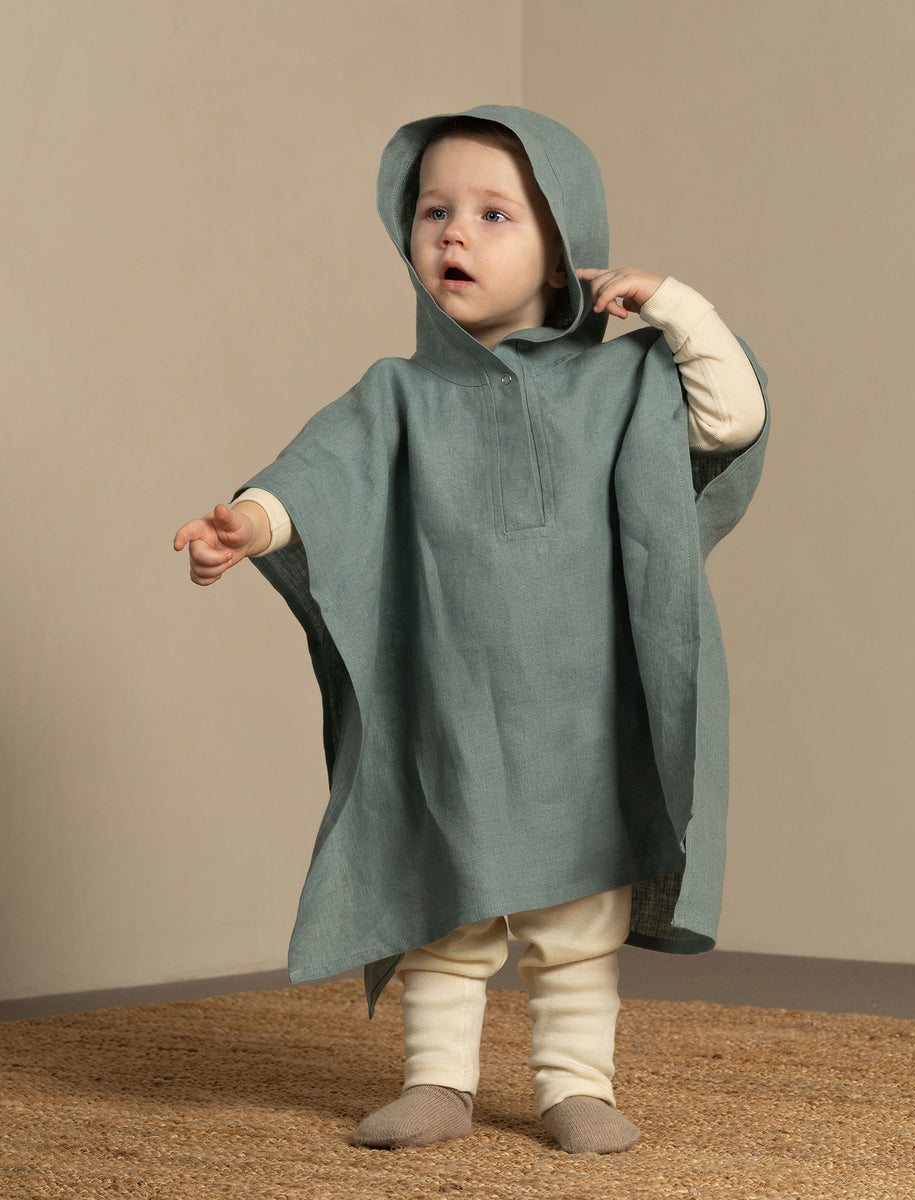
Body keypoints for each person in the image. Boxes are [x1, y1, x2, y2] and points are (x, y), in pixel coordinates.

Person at [174, 106, 769, 1155]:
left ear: (562, 250)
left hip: (582, 713)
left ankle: (575, 1086)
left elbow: (733, 418)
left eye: (495, 214)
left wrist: (673, 306)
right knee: (443, 904)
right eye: (433, 210)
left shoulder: (623, 382)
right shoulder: (398, 397)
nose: (454, 231)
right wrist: (251, 522)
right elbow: (320, 476)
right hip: (447, 704)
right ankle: (437, 1084)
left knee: (576, 922)